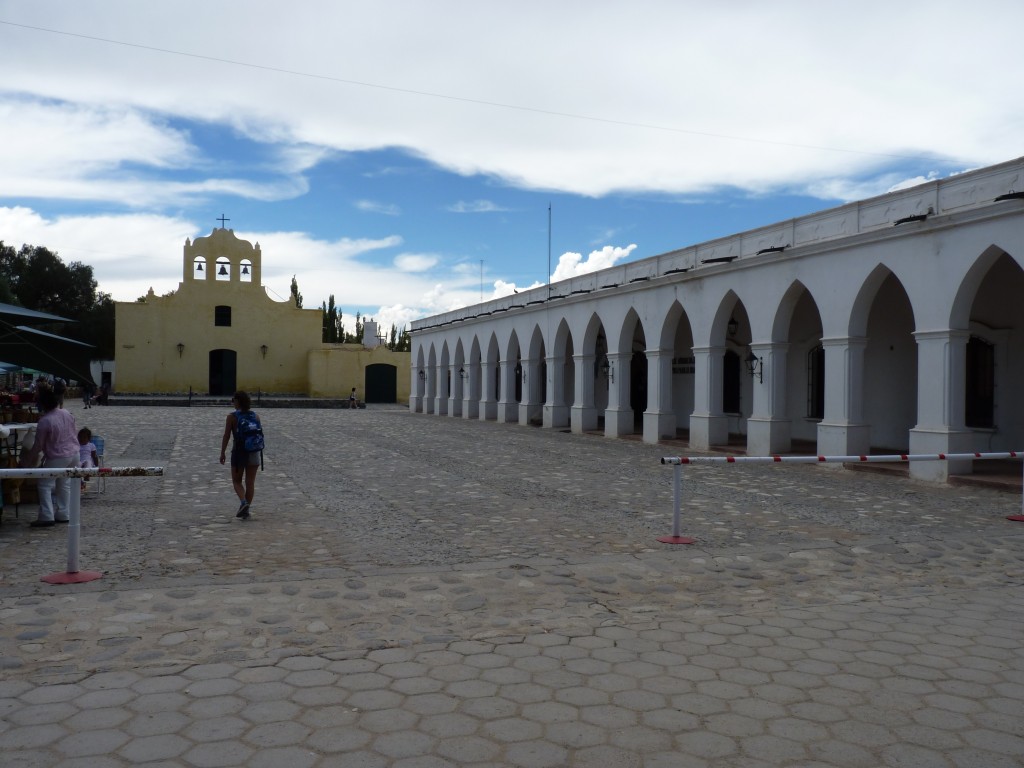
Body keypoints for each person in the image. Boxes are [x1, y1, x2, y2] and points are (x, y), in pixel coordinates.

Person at [20, 387, 79, 527]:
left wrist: (26, 462)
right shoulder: (66, 413)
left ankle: (46, 515)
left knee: (44, 484)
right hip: (74, 454)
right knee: (64, 484)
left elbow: (38, 446)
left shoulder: (45, 421)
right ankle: (63, 513)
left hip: (58, 456)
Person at [219, 390, 262, 520]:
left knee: (237, 481)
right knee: (250, 483)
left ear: (237, 402)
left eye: (233, 401)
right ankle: (246, 510)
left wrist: (222, 452)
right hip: (254, 452)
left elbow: (226, 435)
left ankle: (243, 503)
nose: (233, 403)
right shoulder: (256, 416)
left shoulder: (232, 417)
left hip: (239, 452)